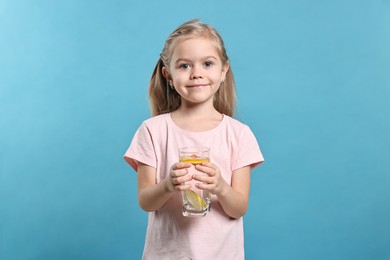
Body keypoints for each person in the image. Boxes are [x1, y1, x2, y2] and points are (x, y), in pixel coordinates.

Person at [124, 19, 264, 260]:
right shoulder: (152, 131)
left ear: (223, 71)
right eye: (185, 66)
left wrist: (220, 186)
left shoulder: (239, 134)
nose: (197, 73)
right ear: (168, 75)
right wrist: (168, 185)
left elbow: (239, 208)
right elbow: (146, 202)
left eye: (207, 63)